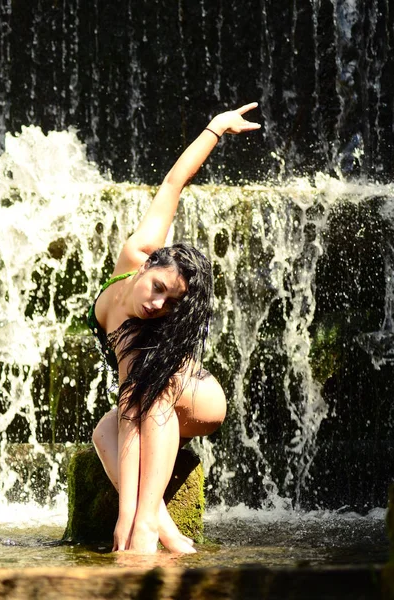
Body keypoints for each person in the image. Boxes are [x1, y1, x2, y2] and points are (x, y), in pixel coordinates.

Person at [90, 102, 261, 554]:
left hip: (198, 396)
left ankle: (145, 526)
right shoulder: (138, 250)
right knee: (104, 431)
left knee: (152, 393)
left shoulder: (144, 328)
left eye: (171, 303)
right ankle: (167, 532)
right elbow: (173, 182)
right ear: (148, 263)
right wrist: (215, 127)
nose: (158, 305)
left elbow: (136, 405)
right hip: (148, 401)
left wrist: (130, 521)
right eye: (160, 288)